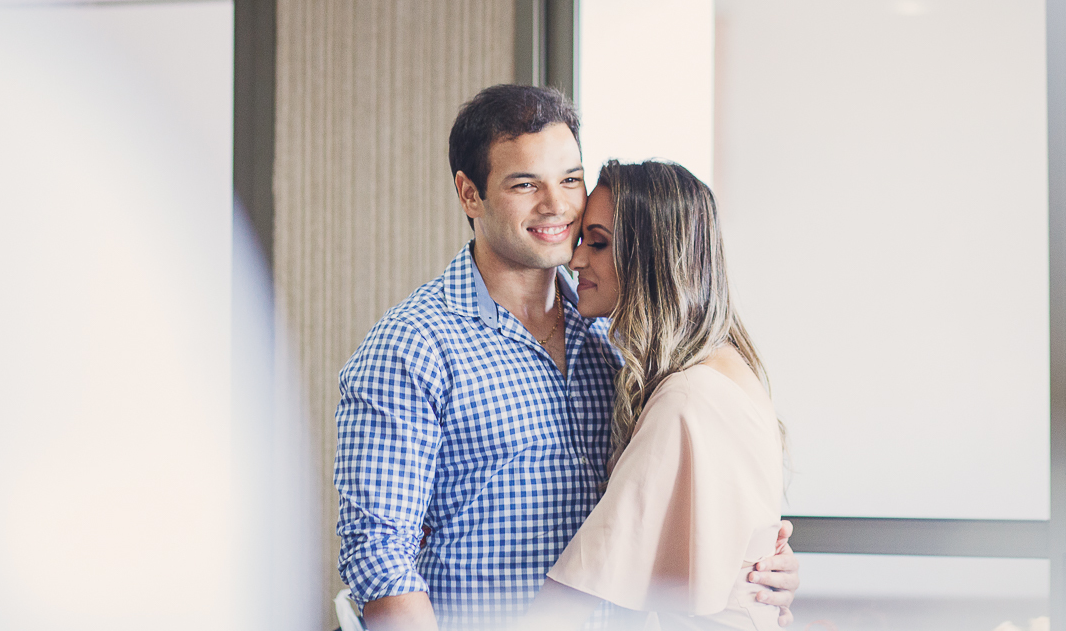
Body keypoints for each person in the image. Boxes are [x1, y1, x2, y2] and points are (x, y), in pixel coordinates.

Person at [334, 85, 799, 631]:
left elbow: (669, 503)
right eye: (525, 184)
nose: (555, 205)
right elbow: (380, 557)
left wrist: (752, 568)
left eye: (570, 179)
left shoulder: (621, 337)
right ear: (469, 194)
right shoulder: (413, 345)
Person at [524, 160, 785, 631]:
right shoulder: (725, 367)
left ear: (651, 256)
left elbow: (576, 591)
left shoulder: (687, 397)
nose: (575, 260)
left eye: (597, 243)